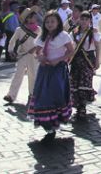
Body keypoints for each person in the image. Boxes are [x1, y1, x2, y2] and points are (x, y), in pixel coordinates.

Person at [28, 11, 75, 141]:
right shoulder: (42, 36)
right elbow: (37, 52)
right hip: (44, 70)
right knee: (42, 95)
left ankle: (56, 121)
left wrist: (59, 59)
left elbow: (71, 51)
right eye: (47, 22)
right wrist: (40, 57)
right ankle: (47, 124)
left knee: (56, 95)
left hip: (58, 70)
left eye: (52, 21)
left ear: (58, 22)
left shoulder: (63, 36)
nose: (50, 24)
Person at [4, 8, 41, 104]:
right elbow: (12, 41)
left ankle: (32, 96)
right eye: (32, 17)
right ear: (27, 19)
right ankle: (11, 95)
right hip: (22, 55)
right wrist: (10, 50)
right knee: (17, 75)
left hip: (33, 56)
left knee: (32, 76)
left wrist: (36, 48)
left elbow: (42, 42)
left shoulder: (39, 29)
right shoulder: (19, 29)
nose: (35, 18)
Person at [69, 12, 101, 119]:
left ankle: (82, 107)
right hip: (76, 60)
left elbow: (97, 47)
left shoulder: (93, 32)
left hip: (88, 60)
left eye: (86, 19)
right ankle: (78, 105)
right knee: (75, 83)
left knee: (85, 83)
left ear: (90, 21)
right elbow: (70, 46)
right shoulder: (74, 32)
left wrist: (97, 60)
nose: (84, 21)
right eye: (82, 19)